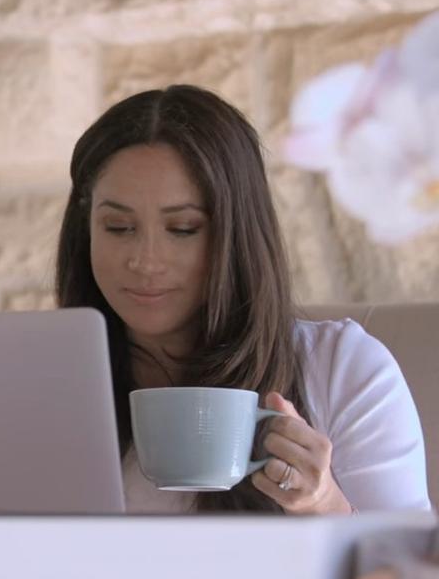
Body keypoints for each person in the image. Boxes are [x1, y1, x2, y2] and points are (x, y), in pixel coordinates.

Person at [55, 84, 430, 514]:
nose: (145, 261)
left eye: (183, 229)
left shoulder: (341, 368)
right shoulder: (51, 386)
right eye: (118, 228)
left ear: (237, 235)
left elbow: (408, 572)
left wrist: (322, 503)